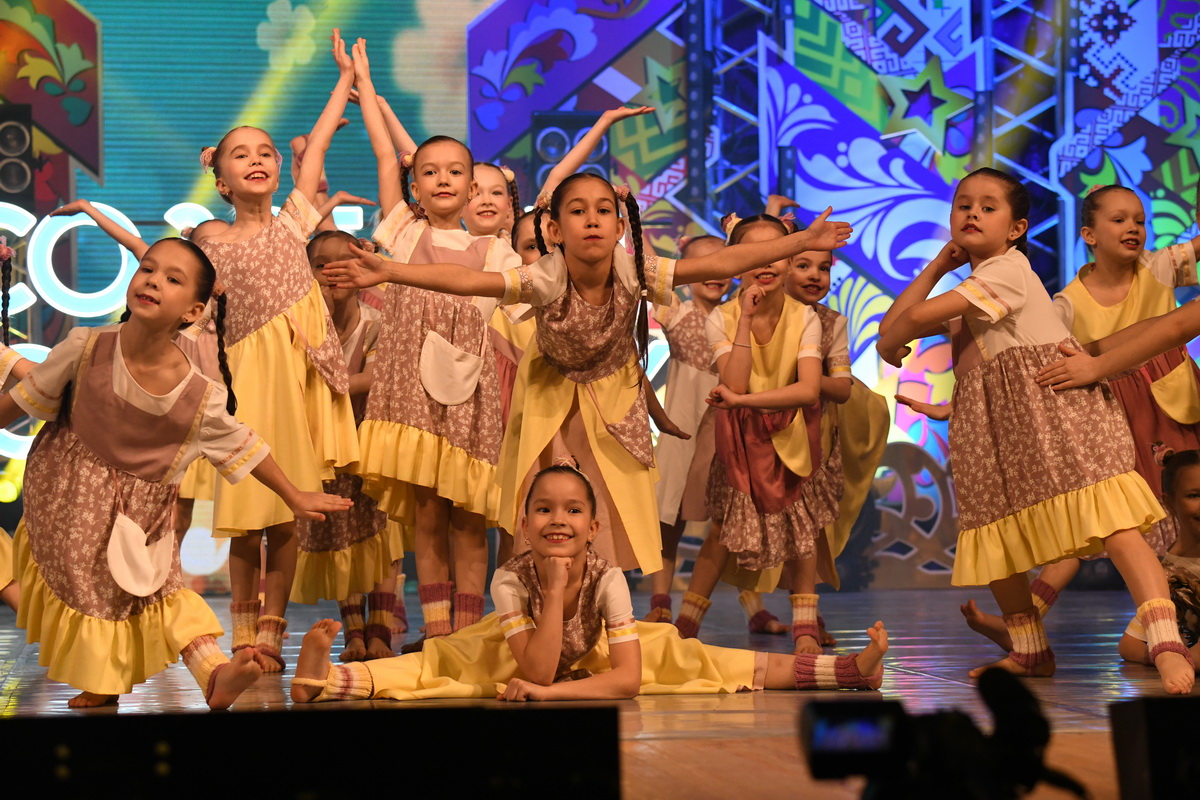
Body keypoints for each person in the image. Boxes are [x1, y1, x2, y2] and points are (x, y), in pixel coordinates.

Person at [323, 174, 853, 581]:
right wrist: (390, 270)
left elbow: (728, 260)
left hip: (611, 397)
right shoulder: (546, 275)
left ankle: (600, 602)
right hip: (549, 395)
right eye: (577, 211)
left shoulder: (635, 271)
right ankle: (536, 598)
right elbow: (468, 279)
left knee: (609, 500)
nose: (593, 220)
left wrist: (800, 241)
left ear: (621, 227)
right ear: (554, 230)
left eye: (604, 211)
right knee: (541, 499)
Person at [876, 167, 1193, 694]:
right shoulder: (973, 286)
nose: (972, 213)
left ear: (1017, 228)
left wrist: (892, 343)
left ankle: (1165, 642)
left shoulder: (1007, 271)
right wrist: (937, 265)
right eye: (963, 205)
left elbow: (902, 329)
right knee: (995, 534)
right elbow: (893, 324)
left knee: (1111, 518)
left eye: (988, 207)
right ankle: (1029, 650)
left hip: (1052, 412)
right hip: (993, 426)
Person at [5, 237, 349, 708]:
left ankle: (215, 675)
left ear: (194, 311)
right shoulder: (86, 346)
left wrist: (293, 495)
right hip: (69, 504)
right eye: (148, 269)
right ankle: (116, 682)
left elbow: (245, 445)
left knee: (160, 595)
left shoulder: (199, 395)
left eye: (172, 279)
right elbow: (24, 399)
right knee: (101, 597)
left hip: (140, 517)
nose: (153, 281)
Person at [289, 463, 888, 703]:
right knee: (441, 664)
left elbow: (623, 680)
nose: (558, 520)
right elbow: (535, 669)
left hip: (595, 650)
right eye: (544, 510)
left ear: (593, 527)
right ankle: (324, 680)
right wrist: (551, 593)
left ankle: (848, 672)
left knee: (698, 659)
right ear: (525, 524)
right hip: (517, 649)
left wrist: (550, 697)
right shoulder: (510, 579)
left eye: (573, 511)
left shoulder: (608, 578)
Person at [197, 30, 360, 669]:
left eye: (265, 152)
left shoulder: (295, 222)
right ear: (221, 179)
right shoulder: (210, 241)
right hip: (240, 381)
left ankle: (272, 629)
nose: (258, 160)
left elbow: (314, 149)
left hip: (292, 381)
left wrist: (344, 78)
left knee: (288, 513)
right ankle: (241, 631)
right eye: (241, 155)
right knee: (245, 511)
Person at [353, 41, 520, 642]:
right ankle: (439, 633)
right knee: (427, 513)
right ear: (415, 187)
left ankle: (469, 635)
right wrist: (363, 84)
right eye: (429, 172)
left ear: (474, 187)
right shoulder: (402, 233)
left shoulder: (496, 251)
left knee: (470, 517)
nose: (443, 179)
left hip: (470, 398)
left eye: (455, 171)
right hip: (413, 398)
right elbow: (384, 152)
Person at [671, 215, 833, 652]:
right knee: (723, 529)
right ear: (735, 261)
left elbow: (808, 389)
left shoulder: (805, 317)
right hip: (741, 441)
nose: (765, 263)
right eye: (753, 253)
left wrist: (745, 401)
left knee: (802, 529)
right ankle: (685, 626)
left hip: (792, 432)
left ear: (789, 258)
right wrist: (744, 319)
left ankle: (805, 628)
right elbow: (736, 381)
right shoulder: (722, 318)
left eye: (775, 253)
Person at [291, 230, 403, 660]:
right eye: (322, 265)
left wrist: (324, 387)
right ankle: (354, 631)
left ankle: (381, 632)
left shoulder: (376, 325)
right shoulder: (300, 327)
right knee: (342, 535)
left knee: (381, 535)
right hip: (323, 446)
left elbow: (372, 379)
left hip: (370, 443)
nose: (333, 274)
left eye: (345, 264)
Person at [644, 235, 730, 623]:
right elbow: (649, 269)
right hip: (683, 427)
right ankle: (660, 603)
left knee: (731, 522)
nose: (714, 273)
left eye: (722, 264)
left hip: (726, 426)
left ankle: (753, 607)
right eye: (703, 265)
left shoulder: (738, 315)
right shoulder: (678, 312)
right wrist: (627, 213)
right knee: (670, 518)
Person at [1118, 449, 1200, 667]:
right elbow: (1129, 645)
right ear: (1170, 502)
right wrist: (1169, 656)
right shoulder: (1169, 575)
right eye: (1194, 495)